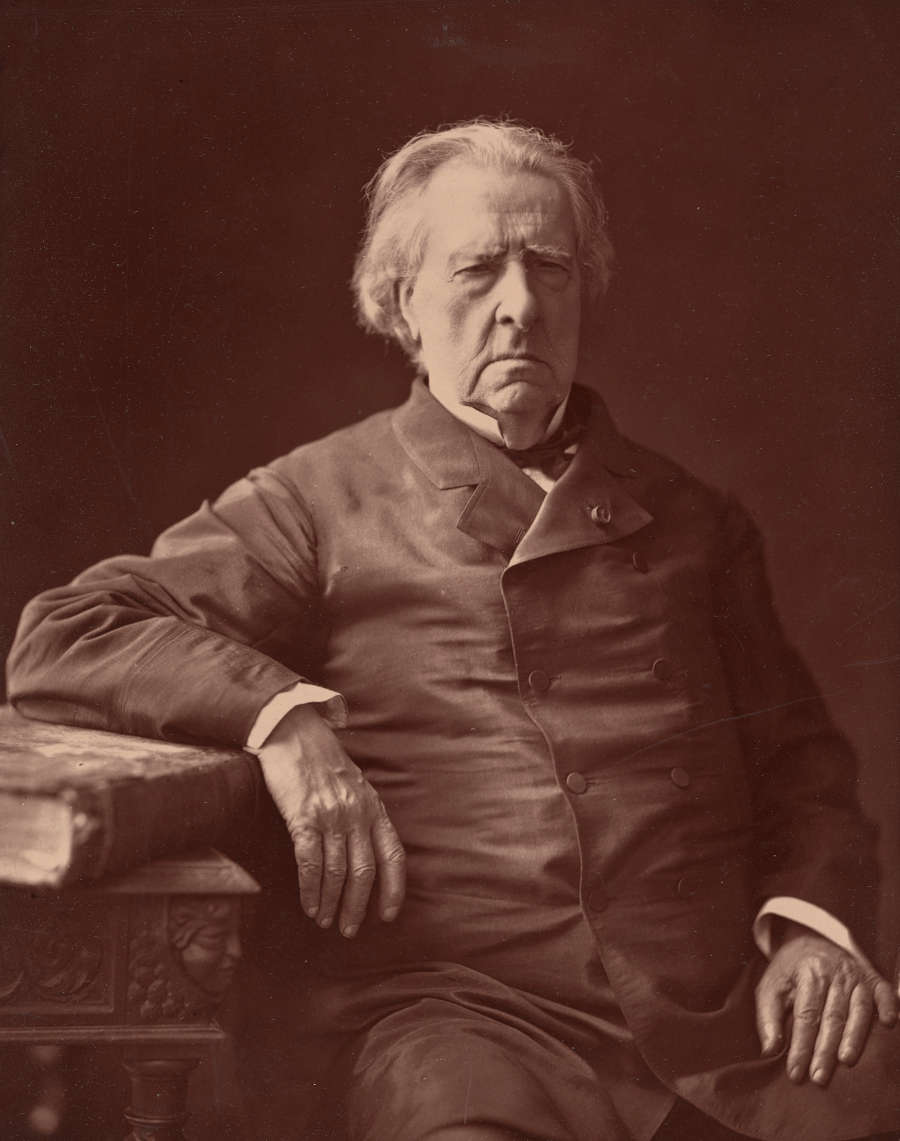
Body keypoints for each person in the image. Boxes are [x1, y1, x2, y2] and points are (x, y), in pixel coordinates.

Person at [6, 120, 899, 1141]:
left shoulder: (696, 519)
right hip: (454, 1017)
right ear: (403, 306)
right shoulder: (320, 500)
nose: (519, 306)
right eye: (478, 270)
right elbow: (69, 632)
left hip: (719, 1014)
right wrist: (285, 725)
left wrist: (811, 928)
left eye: (549, 268)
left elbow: (803, 770)